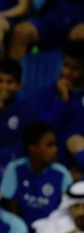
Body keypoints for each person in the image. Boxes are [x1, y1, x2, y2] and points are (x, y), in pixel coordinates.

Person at [0, 121, 73, 231]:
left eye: (55, 145)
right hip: (21, 232)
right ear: (32, 148)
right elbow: (11, 208)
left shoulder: (62, 173)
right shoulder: (15, 169)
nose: (55, 150)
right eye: (49, 145)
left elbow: (67, 210)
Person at [34, 40, 84, 171]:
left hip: (77, 159)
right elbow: (42, 129)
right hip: (52, 159)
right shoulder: (49, 93)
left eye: (75, 69)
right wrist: (62, 101)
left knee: (76, 142)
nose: (67, 72)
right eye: (65, 66)